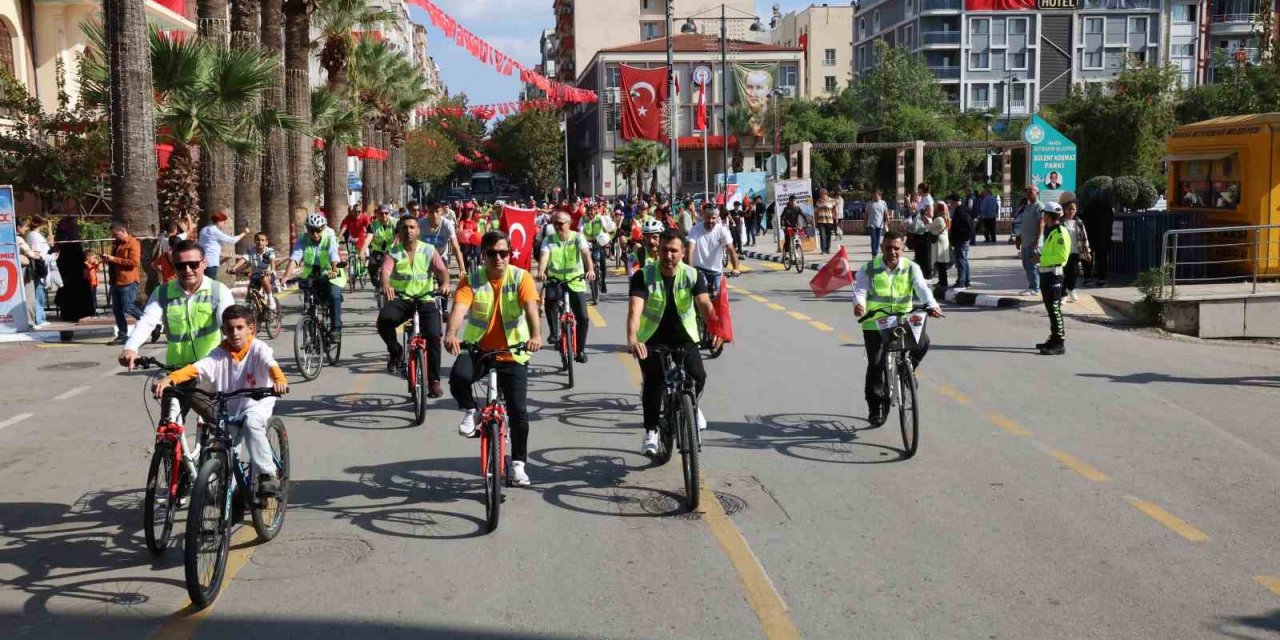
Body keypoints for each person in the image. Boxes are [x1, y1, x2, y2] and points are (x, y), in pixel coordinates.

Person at [152, 304, 289, 496]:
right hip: (231, 406)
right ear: (223, 330)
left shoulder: (259, 348)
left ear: (251, 328)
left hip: (257, 404)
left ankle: (267, 474)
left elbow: (271, 365)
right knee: (225, 450)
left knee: (251, 423)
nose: (235, 333)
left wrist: (280, 381)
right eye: (229, 328)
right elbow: (198, 368)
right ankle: (230, 495)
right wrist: (170, 378)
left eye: (240, 328)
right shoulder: (220, 352)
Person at [444, 231, 543, 486]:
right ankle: (471, 411)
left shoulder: (521, 277)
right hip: (479, 348)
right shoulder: (471, 280)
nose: (498, 258)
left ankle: (519, 464)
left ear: (509, 254)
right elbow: (459, 309)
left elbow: (532, 308)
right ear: (483, 255)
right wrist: (451, 334)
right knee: (458, 378)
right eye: (492, 253)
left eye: (503, 253)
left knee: (518, 412)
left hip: (514, 351)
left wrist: (536, 335)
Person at [119, 239, 235, 425]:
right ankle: (168, 453)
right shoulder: (163, 293)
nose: (188, 270)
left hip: (208, 370)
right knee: (168, 427)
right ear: (174, 266)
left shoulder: (218, 291)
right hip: (175, 370)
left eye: (194, 264)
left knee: (220, 426)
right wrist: (131, 348)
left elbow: (230, 326)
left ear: (204, 263)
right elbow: (148, 321)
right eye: (181, 265)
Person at [627, 229, 721, 456]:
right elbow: (634, 310)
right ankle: (651, 431)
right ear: (657, 251)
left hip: (684, 337)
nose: (668, 255)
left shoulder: (692, 275)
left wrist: (717, 330)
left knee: (699, 376)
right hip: (652, 339)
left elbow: (705, 306)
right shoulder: (644, 275)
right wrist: (632, 340)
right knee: (654, 382)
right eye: (664, 250)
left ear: (681, 253)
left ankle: (690, 405)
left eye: (673, 251)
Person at [853, 232, 944, 426]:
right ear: (881, 248)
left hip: (903, 320)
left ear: (902, 249)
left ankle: (905, 374)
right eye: (888, 248)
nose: (892, 252)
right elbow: (860, 291)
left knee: (924, 342)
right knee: (876, 364)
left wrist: (932, 305)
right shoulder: (868, 269)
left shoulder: (911, 268)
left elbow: (922, 288)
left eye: (897, 248)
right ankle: (875, 406)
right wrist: (859, 304)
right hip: (875, 323)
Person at [377, 216, 451, 395]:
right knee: (384, 321)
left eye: (412, 227)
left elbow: (442, 271)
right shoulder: (393, 251)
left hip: (425, 299)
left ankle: (433, 380)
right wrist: (386, 286)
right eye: (404, 228)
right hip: (403, 300)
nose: (408, 231)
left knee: (433, 336)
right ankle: (396, 352)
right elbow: (386, 271)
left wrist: (445, 284)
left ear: (418, 231)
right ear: (399, 232)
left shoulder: (428, 250)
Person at [537, 209, 595, 363]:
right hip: (555, 280)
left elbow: (585, 254)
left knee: (583, 317)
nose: (557, 227)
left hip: (575, 280)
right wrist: (541, 271)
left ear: (569, 224)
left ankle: (580, 350)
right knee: (550, 300)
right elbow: (544, 256)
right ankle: (555, 334)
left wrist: (590, 269)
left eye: (560, 224)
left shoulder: (577, 237)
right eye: (554, 223)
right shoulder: (548, 240)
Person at [282, 213, 346, 336]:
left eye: (318, 230)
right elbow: (295, 257)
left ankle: (336, 329)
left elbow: (333, 253)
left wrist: (334, 270)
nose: (315, 234)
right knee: (309, 296)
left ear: (323, 228)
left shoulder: (329, 236)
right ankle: (310, 320)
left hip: (331, 271)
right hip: (311, 272)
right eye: (312, 231)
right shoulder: (303, 239)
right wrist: (286, 276)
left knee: (334, 295)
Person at [1037, 203, 1071, 355]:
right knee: (1050, 309)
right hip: (1046, 274)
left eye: (1044, 214)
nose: (1042, 216)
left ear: (1050, 216)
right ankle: (1054, 337)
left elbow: (1062, 256)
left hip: (1054, 275)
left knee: (1055, 309)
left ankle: (1059, 343)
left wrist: (1041, 258)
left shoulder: (1060, 232)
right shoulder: (1050, 230)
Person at [686, 205, 740, 299]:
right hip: (699, 269)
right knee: (702, 295)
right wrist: (690, 270)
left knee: (715, 296)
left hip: (716, 271)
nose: (710, 221)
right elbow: (690, 249)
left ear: (717, 218)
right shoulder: (695, 230)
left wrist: (736, 268)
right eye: (707, 218)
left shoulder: (722, 230)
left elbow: (731, 249)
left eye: (713, 218)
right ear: (703, 217)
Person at [103, 223, 143, 345]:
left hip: (128, 281)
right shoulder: (117, 245)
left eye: (116, 234)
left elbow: (133, 262)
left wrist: (114, 259)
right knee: (117, 310)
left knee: (128, 306)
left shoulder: (133, 243)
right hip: (116, 281)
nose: (114, 237)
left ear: (123, 231)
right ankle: (122, 335)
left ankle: (150, 323)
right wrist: (108, 260)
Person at [54, 215, 94, 322]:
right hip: (75, 271)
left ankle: (68, 313)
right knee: (77, 291)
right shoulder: (72, 241)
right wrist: (83, 267)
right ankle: (80, 313)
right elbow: (78, 256)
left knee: (68, 290)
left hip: (65, 269)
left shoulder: (61, 238)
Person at [233, 232, 279, 310]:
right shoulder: (251, 250)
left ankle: (270, 299)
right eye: (258, 240)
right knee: (249, 297)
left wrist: (272, 270)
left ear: (266, 242)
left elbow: (272, 260)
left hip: (268, 275)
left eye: (262, 240)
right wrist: (234, 268)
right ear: (254, 241)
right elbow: (243, 259)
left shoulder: (269, 251)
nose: (260, 242)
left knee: (263, 278)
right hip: (255, 276)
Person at [419, 203, 466, 277]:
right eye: (431, 212)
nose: (434, 215)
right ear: (427, 211)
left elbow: (455, 247)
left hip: (441, 259)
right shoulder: (420, 224)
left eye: (437, 212)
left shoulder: (447, 224)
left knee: (444, 282)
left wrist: (462, 269)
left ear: (441, 212)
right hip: (424, 259)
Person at [1015, 185, 1046, 296]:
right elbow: (1025, 224)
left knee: (1032, 265)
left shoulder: (1039, 206)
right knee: (1026, 265)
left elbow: (1041, 223)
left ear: (1037, 193)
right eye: (1026, 191)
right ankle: (1034, 286)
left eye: (1030, 191)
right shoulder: (1028, 206)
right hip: (1025, 241)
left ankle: (1035, 288)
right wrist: (1018, 238)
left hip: (1034, 242)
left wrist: (1037, 239)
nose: (1028, 193)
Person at [198, 212, 248, 279]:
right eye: (224, 222)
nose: (224, 224)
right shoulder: (214, 231)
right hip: (211, 262)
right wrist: (244, 233)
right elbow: (232, 240)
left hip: (201, 260)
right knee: (211, 284)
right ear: (219, 221)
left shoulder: (203, 230)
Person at [1059, 194, 1090, 303]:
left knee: (1073, 273)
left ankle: (1071, 289)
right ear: (1064, 209)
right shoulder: (1060, 223)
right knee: (1063, 274)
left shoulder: (1079, 222)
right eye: (1069, 209)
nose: (1071, 211)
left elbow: (1084, 238)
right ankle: (1063, 294)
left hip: (1075, 251)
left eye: (1073, 209)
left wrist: (1087, 252)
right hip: (1063, 253)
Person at [21, 215, 51, 328]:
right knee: (38, 291)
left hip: (39, 263)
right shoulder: (34, 236)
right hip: (38, 265)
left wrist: (49, 230)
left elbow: (50, 243)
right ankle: (38, 318)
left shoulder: (33, 235)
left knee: (39, 291)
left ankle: (39, 317)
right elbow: (36, 252)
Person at [580, 205, 611, 295]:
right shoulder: (583, 219)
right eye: (589, 210)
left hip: (599, 241)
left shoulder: (600, 218)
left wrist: (607, 239)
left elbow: (605, 229)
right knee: (584, 259)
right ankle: (586, 276)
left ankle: (603, 283)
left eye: (593, 210)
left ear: (596, 211)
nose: (591, 212)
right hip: (587, 242)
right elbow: (580, 231)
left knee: (603, 263)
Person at [363, 205, 397, 286]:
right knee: (371, 266)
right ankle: (377, 285)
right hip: (378, 250)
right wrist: (362, 252)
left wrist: (395, 249)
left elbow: (398, 238)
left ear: (389, 213)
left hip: (392, 250)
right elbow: (368, 239)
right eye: (381, 213)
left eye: (386, 213)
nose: (384, 215)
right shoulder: (373, 225)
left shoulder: (396, 223)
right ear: (377, 214)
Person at [948, 193, 974, 291]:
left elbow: (965, 225)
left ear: (953, 202)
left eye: (950, 202)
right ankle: (966, 281)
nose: (949, 204)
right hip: (963, 239)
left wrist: (960, 235)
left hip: (961, 240)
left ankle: (961, 282)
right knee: (964, 260)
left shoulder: (960, 211)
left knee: (961, 261)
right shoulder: (964, 209)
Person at [928, 201, 952, 298]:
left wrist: (927, 221)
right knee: (940, 263)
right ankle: (941, 282)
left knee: (941, 264)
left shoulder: (939, 219)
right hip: (943, 242)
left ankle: (944, 284)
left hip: (940, 243)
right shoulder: (945, 217)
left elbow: (929, 227)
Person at [866, 190, 888, 259]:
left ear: (880, 196)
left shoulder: (883, 203)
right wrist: (864, 222)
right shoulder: (869, 203)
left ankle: (876, 252)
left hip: (880, 224)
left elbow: (885, 212)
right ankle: (874, 254)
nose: (875, 197)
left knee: (878, 240)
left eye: (876, 196)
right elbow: (866, 214)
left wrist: (887, 220)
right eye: (873, 195)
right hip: (871, 224)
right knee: (873, 239)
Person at [814, 188, 837, 254]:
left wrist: (836, 219)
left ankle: (828, 249)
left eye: (821, 194)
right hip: (821, 221)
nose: (820, 195)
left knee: (828, 235)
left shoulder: (832, 200)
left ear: (825, 194)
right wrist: (815, 221)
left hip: (829, 221)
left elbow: (834, 211)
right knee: (822, 235)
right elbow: (816, 212)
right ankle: (823, 250)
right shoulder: (818, 201)